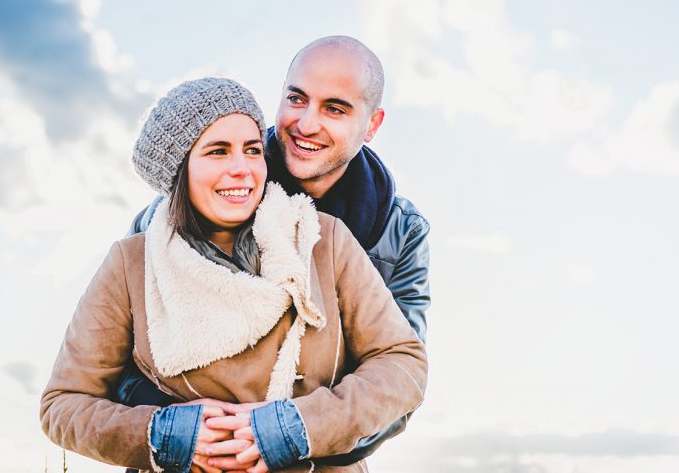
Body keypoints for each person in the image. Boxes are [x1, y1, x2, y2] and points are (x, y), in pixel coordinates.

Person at [40, 78, 427, 473]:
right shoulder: (134, 261)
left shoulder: (321, 239)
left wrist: (295, 427)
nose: (242, 169)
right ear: (180, 167)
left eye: (253, 150)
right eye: (218, 152)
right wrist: (168, 433)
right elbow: (64, 404)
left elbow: (401, 363)